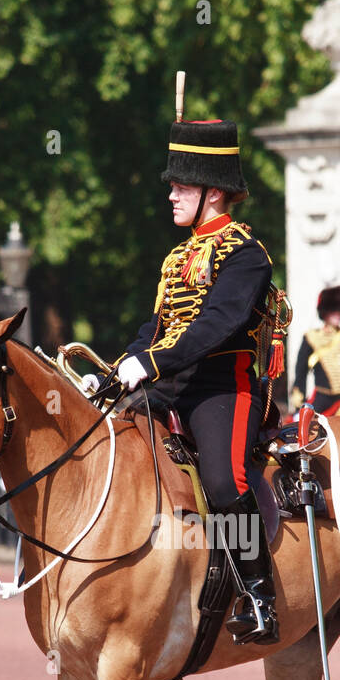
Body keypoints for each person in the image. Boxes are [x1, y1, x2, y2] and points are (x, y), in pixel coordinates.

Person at [112, 114, 279, 643]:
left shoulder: (246, 254)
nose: (171, 197)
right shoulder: (177, 257)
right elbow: (158, 327)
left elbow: (218, 324)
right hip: (169, 386)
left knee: (226, 482)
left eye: (180, 187)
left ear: (213, 192)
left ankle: (259, 597)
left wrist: (154, 363)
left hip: (222, 387)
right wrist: (121, 369)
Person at [289, 286, 340, 415]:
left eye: (339, 310)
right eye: (333, 311)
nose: (337, 314)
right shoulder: (312, 337)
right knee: (306, 428)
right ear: (325, 313)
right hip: (324, 397)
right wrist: (299, 401)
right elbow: (301, 371)